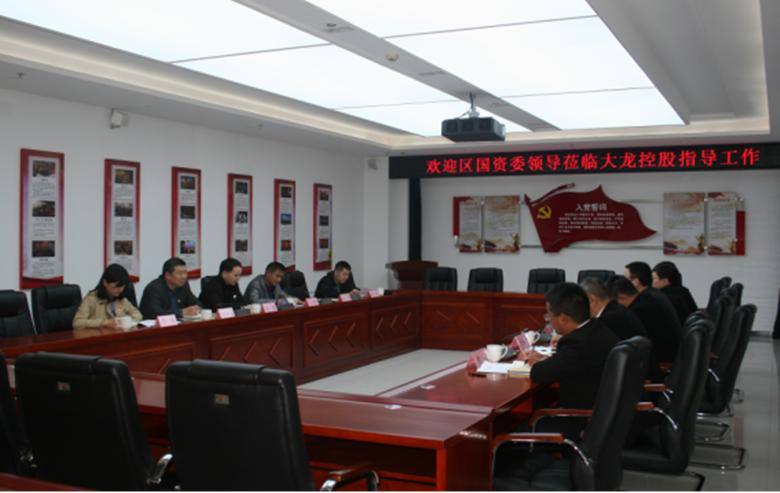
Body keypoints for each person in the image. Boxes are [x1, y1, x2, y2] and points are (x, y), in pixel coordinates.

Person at [522, 283, 619, 438]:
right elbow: (573, 363)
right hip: (605, 418)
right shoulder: (598, 329)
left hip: (581, 422)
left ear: (564, 319)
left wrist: (543, 363)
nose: (548, 321)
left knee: (513, 428)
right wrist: (549, 360)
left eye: (548, 316)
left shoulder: (578, 343)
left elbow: (539, 374)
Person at [580, 277, 664, 383]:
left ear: (592, 300)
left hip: (640, 382)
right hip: (638, 377)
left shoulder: (609, 320)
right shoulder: (617, 310)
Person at [608, 272, 682, 363]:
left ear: (623, 298)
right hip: (672, 354)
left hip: (663, 361)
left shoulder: (639, 311)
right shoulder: (648, 299)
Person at [73, 264, 143, 329]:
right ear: (105, 283)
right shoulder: (91, 299)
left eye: (122, 286)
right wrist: (104, 322)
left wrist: (122, 319)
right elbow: (77, 323)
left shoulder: (121, 299)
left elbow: (137, 315)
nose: (120, 290)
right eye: (116, 286)